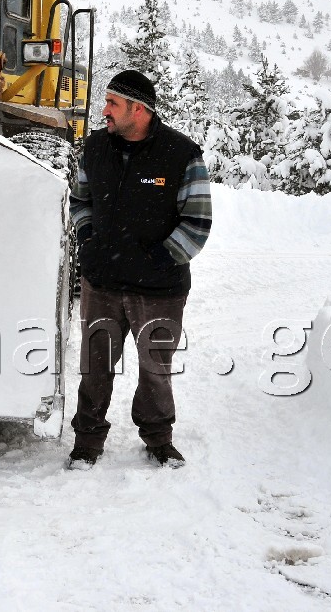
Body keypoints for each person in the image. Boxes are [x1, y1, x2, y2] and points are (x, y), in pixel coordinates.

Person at [68, 69, 211, 470]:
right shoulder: (96, 147)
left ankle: (158, 440)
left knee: (155, 370)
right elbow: (80, 201)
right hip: (103, 284)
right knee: (95, 367)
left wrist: (158, 261)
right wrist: (89, 240)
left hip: (159, 290)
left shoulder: (181, 155)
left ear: (139, 110)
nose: (104, 111)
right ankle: (87, 441)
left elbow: (197, 223)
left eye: (112, 103)